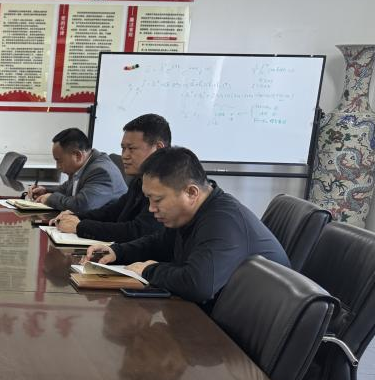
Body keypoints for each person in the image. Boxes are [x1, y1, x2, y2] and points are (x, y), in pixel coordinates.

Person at [84, 147, 289, 307]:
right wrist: (117, 252)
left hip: (245, 337)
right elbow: (161, 242)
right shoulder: (194, 212)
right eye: (148, 199)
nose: (151, 208)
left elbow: (198, 284)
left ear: (191, 192)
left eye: (157, 200)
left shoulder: (223, 220)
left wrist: (148, 270)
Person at [50, 114, 171, 243]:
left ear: (158, 148)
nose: (125, 155)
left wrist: (80, 226)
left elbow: (137, 231)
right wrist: (76, 217)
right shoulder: (139, 180)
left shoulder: (168, 184)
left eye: (131, 148)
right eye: (123, 148)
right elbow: (113, 212)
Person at [24, 127, 126, 213]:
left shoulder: (101, 172)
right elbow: (67, 188)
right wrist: (45, 190)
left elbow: (81, 206)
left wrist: (50, 198)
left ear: (77, 155)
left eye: (59, 161)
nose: (57, 167)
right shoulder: (86, 164)